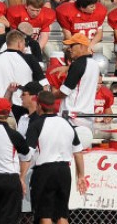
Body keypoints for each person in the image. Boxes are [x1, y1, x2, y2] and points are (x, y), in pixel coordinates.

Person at [22, 90, 87, 224]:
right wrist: (81, 176)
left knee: (44, 214)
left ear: (39, 105)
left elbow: (28, 154)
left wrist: (21, 177)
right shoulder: (66, 124)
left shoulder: (36, 124)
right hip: (64, 171)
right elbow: (78, 152)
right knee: (62, 214)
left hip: (45, 171)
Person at [0, 97, 31, 224]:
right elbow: (26, 153)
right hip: (9, 180)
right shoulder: (13, 134)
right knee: (8, 219)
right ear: (8, 113)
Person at [0, 30, 45, 121]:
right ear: (19, 44)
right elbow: (43, 84)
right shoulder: (30, 59)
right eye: (24, 44)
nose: (24, 47)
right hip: (23, 107)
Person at [49, 33, 100, 141]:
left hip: (72, 118)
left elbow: (64, 92)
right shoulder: (94, 64)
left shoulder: (78, 65)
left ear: (81, 46)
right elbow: (83, 67)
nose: (69, 49)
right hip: (87, 117)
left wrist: (49, 96)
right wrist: (68, 67)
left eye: (72, 46)